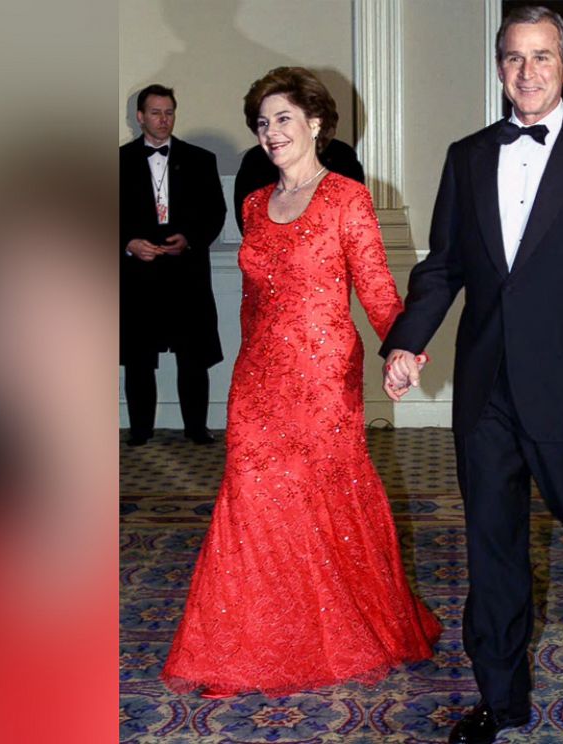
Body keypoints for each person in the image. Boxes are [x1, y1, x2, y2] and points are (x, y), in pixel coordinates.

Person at [381, 7, 563, 743]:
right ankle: (499, 700)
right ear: (500, 66)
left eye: (542, 58)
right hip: (486, 388)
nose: (527, 72)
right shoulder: (467, 155)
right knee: (493, 546)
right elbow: (442, 267)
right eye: (513, 58)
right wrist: (407, 343)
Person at [161, 67, 440, 698]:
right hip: (258, 377)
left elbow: (376, 291)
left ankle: (338, 631)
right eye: (261, 122)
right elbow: (254, 302)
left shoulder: (347, 197)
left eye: (283, 118)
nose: (270, 132)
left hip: (323, 378)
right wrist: (243, 369)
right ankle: (253, 638)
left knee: (325, 500)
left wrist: (403, 348)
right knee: (252, 497)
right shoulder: (256, 204)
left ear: (316, 123)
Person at [120, 84, 226, 446]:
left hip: (187, 273)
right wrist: (128, 243)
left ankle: (197, 427)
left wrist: (191, 239)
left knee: (193, 356)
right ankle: (140, 429)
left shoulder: (201, 159)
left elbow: (216, 212)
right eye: (155, 113)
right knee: (138, 358)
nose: (163, 120)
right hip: (137, 274)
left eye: (168, 113)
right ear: (139, 117)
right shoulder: (114, 162)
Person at [233, 136, 364, 235]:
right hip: (274, 257)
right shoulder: (258, 158)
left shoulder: (341, 155)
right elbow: (247, 220)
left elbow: (355, 215)